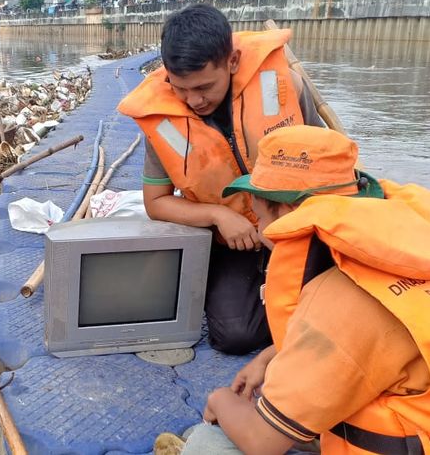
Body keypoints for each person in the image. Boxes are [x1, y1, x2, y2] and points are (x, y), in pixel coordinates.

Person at [174, 125, 430, 454]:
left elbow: (261, 442)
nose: (259, 228)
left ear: (288, 213)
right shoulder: (406, 253)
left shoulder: (338, 304)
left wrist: (219, 401)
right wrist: (271, 356)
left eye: (260, 215)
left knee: (207, 443)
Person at [118, 4, 326, 354]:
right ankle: (297, 311)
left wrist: (289, 225)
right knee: (234, 336)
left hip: (296, 230)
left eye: (204, 87)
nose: (193, 100)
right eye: (180, 88)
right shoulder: (162, 119)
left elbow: (326, 170)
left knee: (351, 292)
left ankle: (310, 303)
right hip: (233, 242)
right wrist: (218, 216)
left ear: (232, 61)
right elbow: (156, 204)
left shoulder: (285, 86)